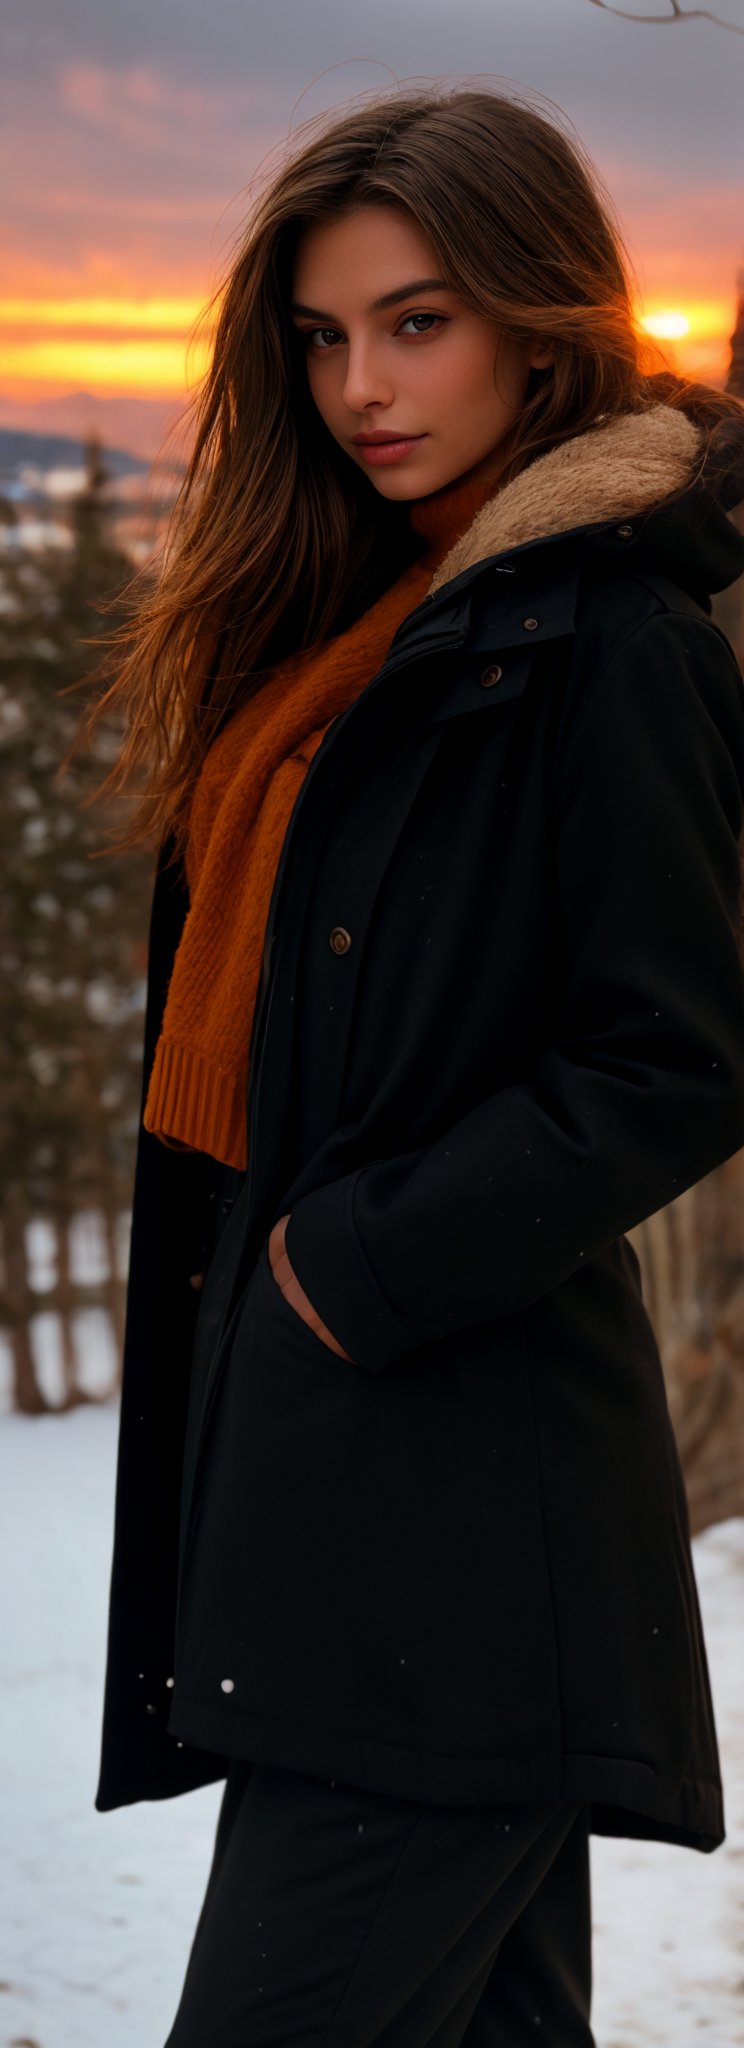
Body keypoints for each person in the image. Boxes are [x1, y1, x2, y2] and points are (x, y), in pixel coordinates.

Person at [81, 83, 744, 2046]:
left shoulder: (608, 637)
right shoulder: (373, 619)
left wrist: (340, 1272)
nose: (361, 383)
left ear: (547, 318)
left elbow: (677, 1056)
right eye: (322, 333)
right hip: (351, 1507)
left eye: (418, 319)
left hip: (464, 1528)